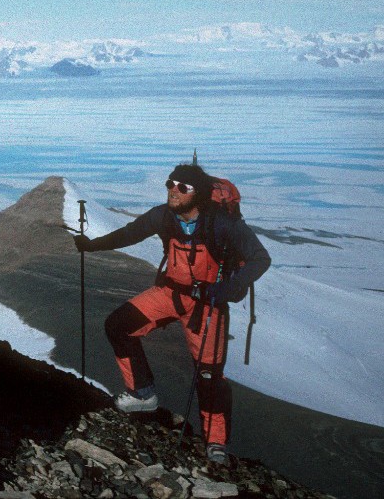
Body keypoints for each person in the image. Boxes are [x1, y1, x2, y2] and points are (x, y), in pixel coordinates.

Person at [73, 163, 270, 466]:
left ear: (199, 194)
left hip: (207, 305)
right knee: (118, 325)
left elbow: (260, 258)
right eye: (170, 183)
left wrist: (229, 289)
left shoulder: (223, 225)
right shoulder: (163, 216)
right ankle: (142, 394)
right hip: (169, 293)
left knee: (209, 376)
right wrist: (92, 246)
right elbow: (130, 234)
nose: (173, 191)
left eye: (183, 187)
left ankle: (216, 443)